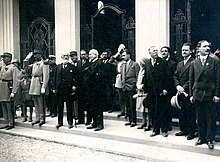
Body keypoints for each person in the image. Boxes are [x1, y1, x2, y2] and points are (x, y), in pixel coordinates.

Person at [189, 40, 220, 149]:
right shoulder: (194, 63)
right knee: (200, 117)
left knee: (210, 118)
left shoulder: (215, 61)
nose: (207, 48)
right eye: (205, 46)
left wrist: (217, 94)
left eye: (208, 46)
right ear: (198, 49)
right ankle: (201, 138)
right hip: (198, 94)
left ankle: (210, 139)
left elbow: (218, 79)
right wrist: (191, 94)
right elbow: (191, 80)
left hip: (210, 94)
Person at [142, 46, 169, 137]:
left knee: (162, 111)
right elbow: (145, 77)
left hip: (161, 91)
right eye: (154, 51)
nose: (156, 52)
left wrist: (165, 88)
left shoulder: (163, 62)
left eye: (156, 51)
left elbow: (167, 77)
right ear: (149, 52)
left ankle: (164, 130)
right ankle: (155, 129)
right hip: (151, 92)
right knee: (153, 111)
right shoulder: (147, 63)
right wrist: (146, 90)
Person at [173, 43, 196, 140]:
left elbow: (192, 78)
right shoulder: (179, 63)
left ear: (191, 51)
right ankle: (183, 129)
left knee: (190, 112)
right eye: (183, 50)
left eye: (186, 50)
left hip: (188, 91)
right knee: (181, 111)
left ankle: (191, 132)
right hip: (180, 91)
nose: (184, 52)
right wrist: (177, 85)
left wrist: (183, 87)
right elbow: (175, 76)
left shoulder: (194, 62)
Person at [53, 53, 79, 129]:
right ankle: (59, 122)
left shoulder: (72, 67)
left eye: (67, 56)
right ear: (61, 57)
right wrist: (54, 88)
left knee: (69, 107)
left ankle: (70, 122)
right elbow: (54, 78)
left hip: (68, 90)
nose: (66, 58)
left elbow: (76, 77)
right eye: (64, 56)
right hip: (60, 90)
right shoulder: (57, 67)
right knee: (60, 107)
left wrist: (74, 85)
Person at [24, 49, 49, 127]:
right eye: (34, 55)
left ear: (40, 55)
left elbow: (46, 75)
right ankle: (37, 117)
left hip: (39, 82)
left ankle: (42, 118)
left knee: (41, 102)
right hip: (34, 82)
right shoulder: (34, 63)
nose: (35, 56)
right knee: (35, 101)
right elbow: (26, 68)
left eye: (36, 54)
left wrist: (44, 86)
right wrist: (26, 59)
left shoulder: (44, 63)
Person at [84, 49, 106, 131]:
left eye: (91, 54)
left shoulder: (100, 63)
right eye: (89, 54)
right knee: (92, 106)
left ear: (95, 55)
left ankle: (100, 124)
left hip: (98, 89)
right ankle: (94, 122)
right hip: (91, 89)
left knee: (98, 107)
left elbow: (102, 75)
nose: (89, 56)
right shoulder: (91, 63)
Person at [0, 52, 21, 130]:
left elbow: (16, 80)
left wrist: (13, 91)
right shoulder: (2, 67)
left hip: (8, 86)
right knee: (3, 105)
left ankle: (11, 123)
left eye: (5, 57)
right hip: (2, 87)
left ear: (9, 58)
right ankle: (6, 121)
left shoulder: (13, 67)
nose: (3, 59)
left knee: (9, 106)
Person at [121, 49, 140, 127]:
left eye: (124, 55)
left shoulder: (134, 64)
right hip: (125, 87)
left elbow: (138, 76)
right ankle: (129, 119)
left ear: (129, 55)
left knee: (132, 105)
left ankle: (133, 121)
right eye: (122, 55)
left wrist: (135, 85)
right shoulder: (123, 65)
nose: (123, 57)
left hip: (132, 87)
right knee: (127, 105)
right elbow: (122, 76)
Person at [160, 46, 177, 131]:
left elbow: (172, 77)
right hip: (160, 90)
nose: (164, 53)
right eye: (162, 51)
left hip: (169, 90)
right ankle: (162, 124)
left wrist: (167, 89)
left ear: (168, 53)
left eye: (165, 51)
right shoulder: (158, 63)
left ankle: (168, 124)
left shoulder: (172, 63)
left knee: (168, 108)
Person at [76, 49, 91, 125]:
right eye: (81, 54)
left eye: (84, 54)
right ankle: (80, 120)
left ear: (87, 55)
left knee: (88, 104)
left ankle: (88, 120)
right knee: (80, 104)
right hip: (80, 87)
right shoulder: (78, 63)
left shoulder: (90, 63)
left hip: (87, 87)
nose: (83, 56)